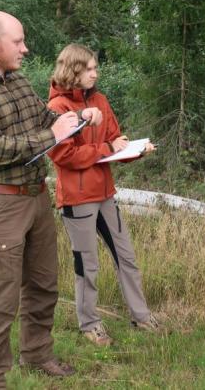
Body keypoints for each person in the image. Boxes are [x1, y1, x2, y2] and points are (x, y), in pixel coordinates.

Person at [0, 11, 102, 389]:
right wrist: (52, 135)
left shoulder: (17, 82)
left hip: (34, 199)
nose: (25, 48)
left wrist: (79, 115)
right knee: (1, 297)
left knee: (44, 283)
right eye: (18, 41)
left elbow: (44, 117)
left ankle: (36, 353)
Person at [46, 43, 158, 347]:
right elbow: (63, 155)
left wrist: (135, 151)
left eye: (96, 68)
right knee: (88, 264)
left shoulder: (101, 100)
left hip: (105, 194)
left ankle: (142, 316)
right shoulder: (58, 109)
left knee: (127, 257)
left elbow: (114, 141)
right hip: (76, 199)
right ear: (74, 70)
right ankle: (90, 323)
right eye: (90, 69)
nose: (96, 73)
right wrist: (107, 149)